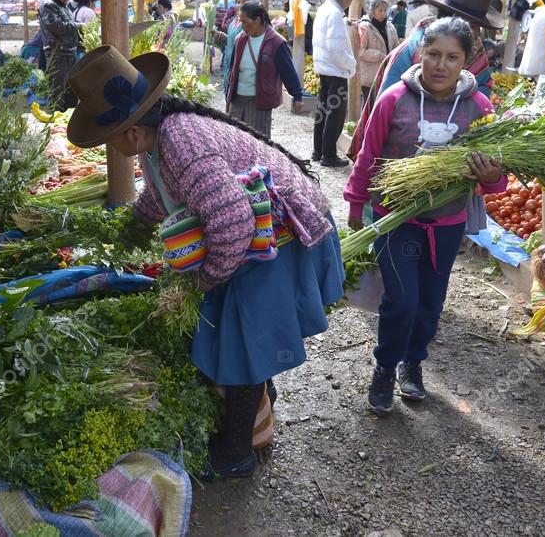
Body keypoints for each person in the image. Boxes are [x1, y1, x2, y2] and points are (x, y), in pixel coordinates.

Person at [65, 45, 344, 479]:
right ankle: (254, 410)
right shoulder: (159, 141)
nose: (110, 149)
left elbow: (232, 223)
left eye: (110, 140)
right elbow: (160, 192)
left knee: (243, 334)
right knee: (240, 329)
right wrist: (132, 229)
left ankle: (237, 452)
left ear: (132, 132)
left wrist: (204, 282)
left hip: (280, 232)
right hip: (258, 228)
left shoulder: (182, 143)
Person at [344, 17, 506, 415]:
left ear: (467, 61)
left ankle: (412, 363)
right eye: (433, 54)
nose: (440, 65)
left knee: (431, 302)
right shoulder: (393, 99)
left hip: (447, 224)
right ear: (419, 53)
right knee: (401, 300)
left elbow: (498, 174)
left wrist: (492, 176)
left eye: (453, 57)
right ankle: (384, 367)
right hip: (396, 219)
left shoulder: (479, 108)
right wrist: (354, 203)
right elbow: (367, 156)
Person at [350, 0, 503, 162]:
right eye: (467, 26)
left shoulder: (477, 54)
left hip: (450, 162)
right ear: (446, 20)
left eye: (475, 28)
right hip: (401, 157)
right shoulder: (410, 50)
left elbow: (481, 101)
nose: (472, 35)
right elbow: (384, 112)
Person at [225, 1, 304, 136]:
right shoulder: (240, 39)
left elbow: (288, 72)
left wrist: (297, 96)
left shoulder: (276, 43)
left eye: (245, 22)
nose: (242, 26)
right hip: (237, 101)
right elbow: (232, 70)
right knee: (235, 143)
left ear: (258, 20)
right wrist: (229, 95)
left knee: (258, 145)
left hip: (260, 102)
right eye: (240, 22)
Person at [312, 0, 360, 168]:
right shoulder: (334, 14)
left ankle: (318, 151)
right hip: (336, 70)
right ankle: (329, 155)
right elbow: (336, 48)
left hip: (324, 69)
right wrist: (351, 64)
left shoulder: (326, 9)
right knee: (335, 115)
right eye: (351, 0)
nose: (350, 4)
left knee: (323, 111)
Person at [39, 0, 82, 109]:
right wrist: (78, 25)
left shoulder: (62, 4)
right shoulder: (48, 4)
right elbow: (57, 27)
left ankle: (69, 118)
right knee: (58, 91)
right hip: (57, 53)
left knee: (71, 90)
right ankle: (56, 121)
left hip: (68, 52)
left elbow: (67, 23)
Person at [358, 0, 400, 105]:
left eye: (385, 10)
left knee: (382, 105)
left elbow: (396, 46)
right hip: (370, 76)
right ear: (372, 11)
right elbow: (361, 52)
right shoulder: (365, 27)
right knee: (369, 105)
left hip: (386, 75)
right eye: (380, 10)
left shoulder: (390, 27)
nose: (383, 13)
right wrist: (380, 56)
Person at [212, 0, 253, 94]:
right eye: (238, 2)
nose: (240, 5)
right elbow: (232, 41)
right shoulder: (234, 22)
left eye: (244, 2)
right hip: (229, 64)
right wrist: (218, 35)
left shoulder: (250, 24)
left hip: (241, 67)